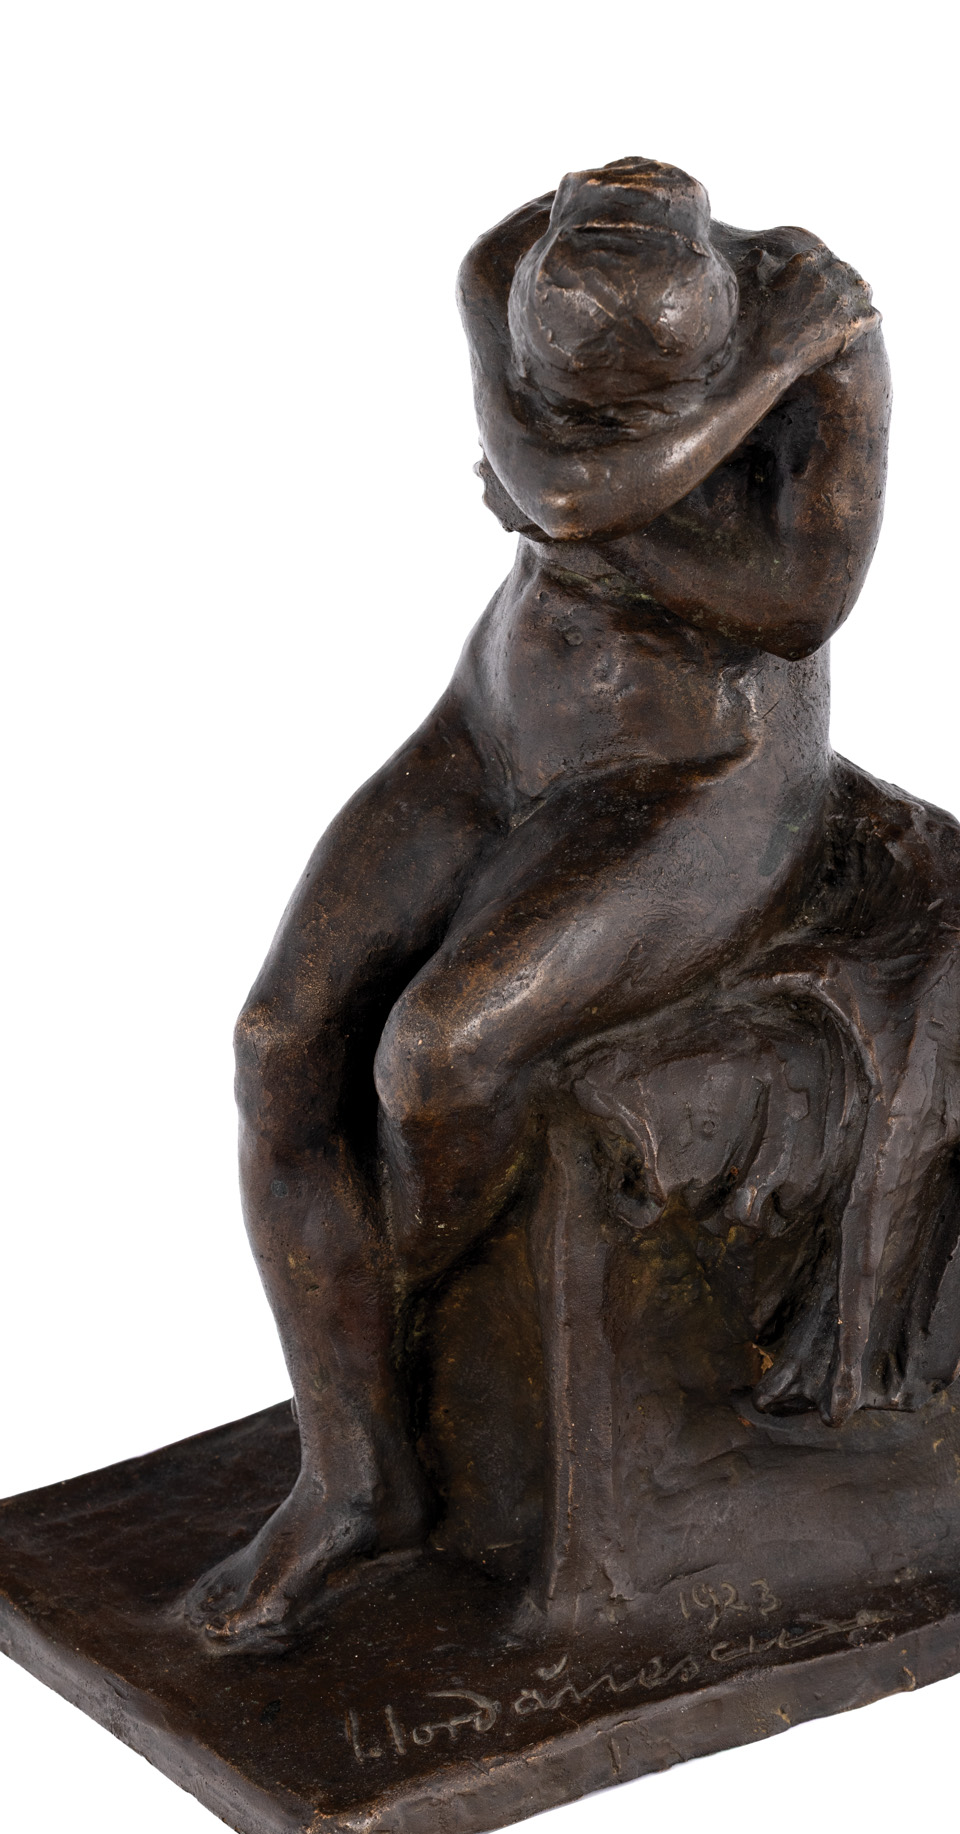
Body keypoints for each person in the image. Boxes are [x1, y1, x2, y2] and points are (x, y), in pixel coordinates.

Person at [185, 159, 890, 1650]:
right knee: (276, 1045)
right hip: (495, 728)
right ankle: (354, 1480)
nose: (604, 434)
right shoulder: (512, 262)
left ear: (717, 313)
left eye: (657, 401)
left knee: (437, 1058)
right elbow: (563, 495)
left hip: (699, 779)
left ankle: (404, 1334)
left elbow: (797, 605)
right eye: (576, 397)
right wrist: (728, 411)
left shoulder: (829, 325)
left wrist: (580, 510)